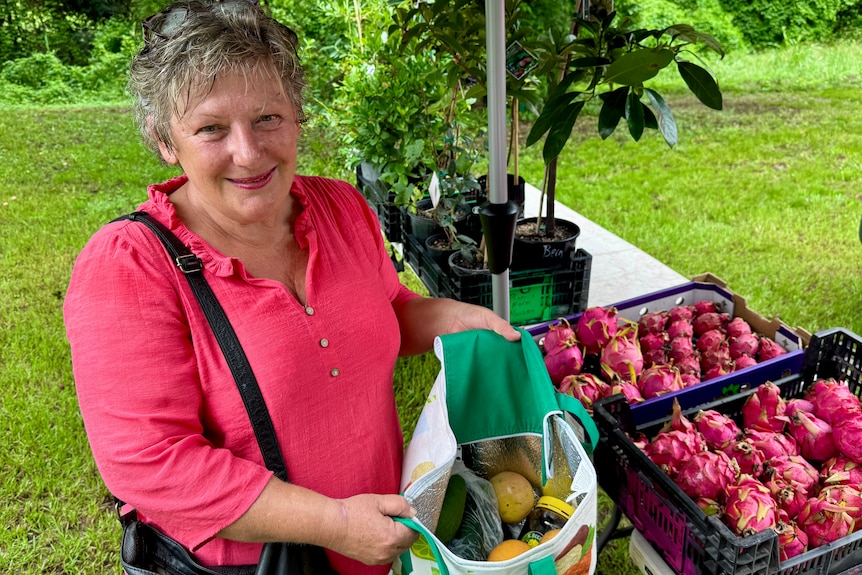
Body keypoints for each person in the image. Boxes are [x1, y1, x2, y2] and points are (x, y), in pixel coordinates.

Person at [63, 1, 520, 573]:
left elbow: (389, 310)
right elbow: (152, 462)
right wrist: (333, 525)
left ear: (297, 114)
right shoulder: (130, 266)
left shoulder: (341, 209)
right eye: (210, 129)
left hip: (378, 546)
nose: (248, 152)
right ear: (164, 139)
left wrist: (456, 318)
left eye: (267, 118)